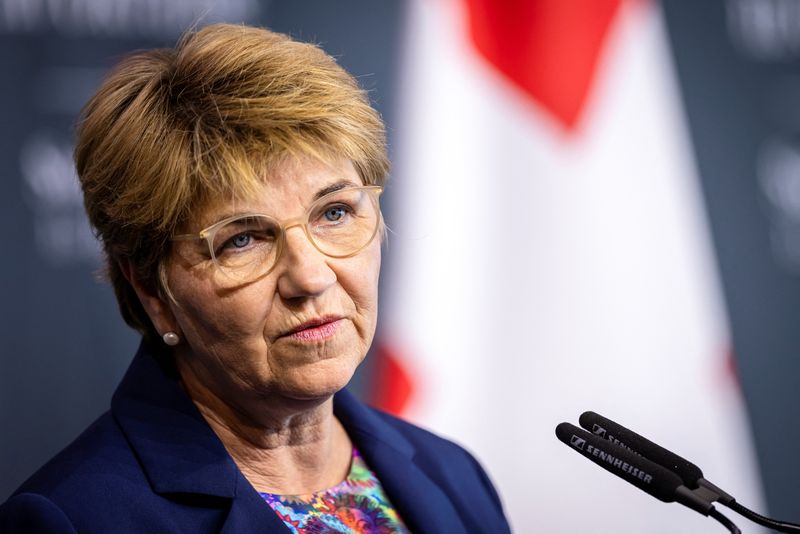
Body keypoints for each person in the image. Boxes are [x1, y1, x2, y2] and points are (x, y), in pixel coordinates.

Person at [0, 23, 510, 533]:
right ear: (152, 290)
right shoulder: (72, 520)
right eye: (243, 239)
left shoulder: (452, 474)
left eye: (333, 213)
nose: (310, 277)